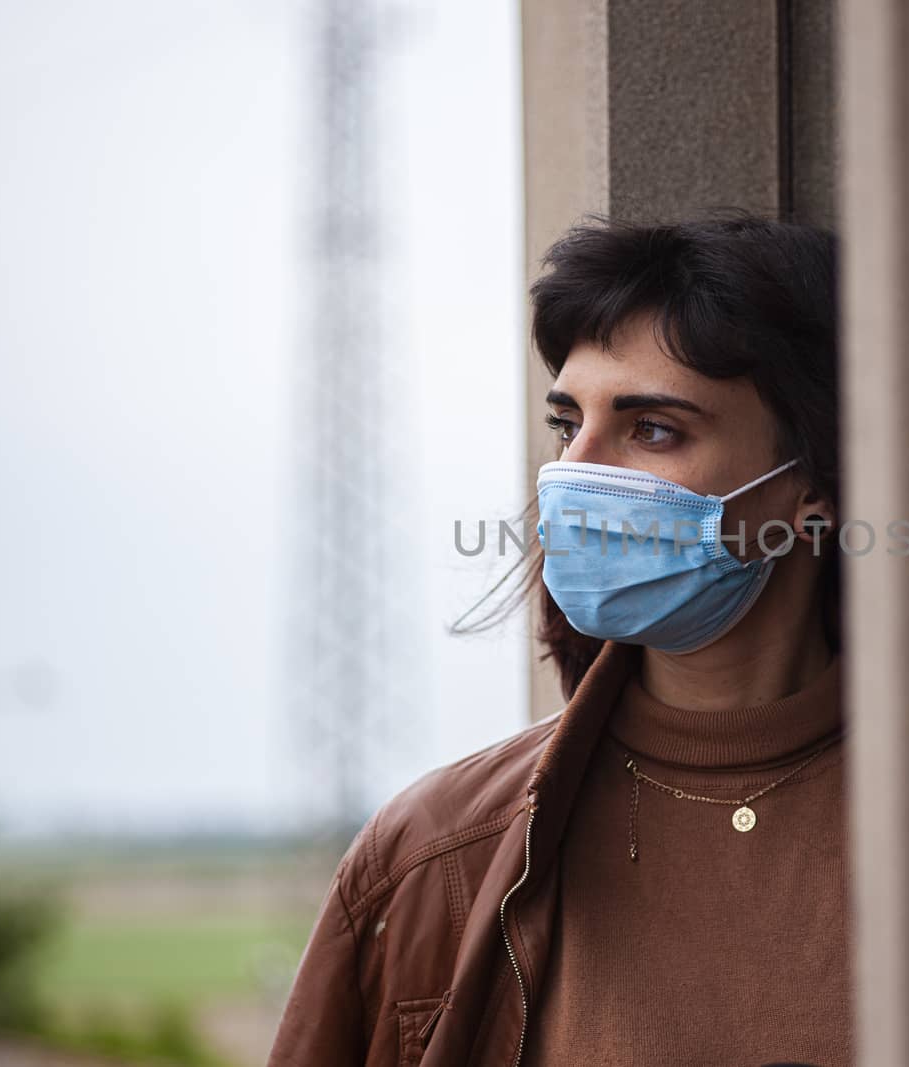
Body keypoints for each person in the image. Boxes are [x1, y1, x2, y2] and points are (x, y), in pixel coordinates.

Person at [267, 213, 850, 1067]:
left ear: (813, 487)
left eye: (653, 429)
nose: (577, 472)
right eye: (566, 423)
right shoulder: (434, 855)